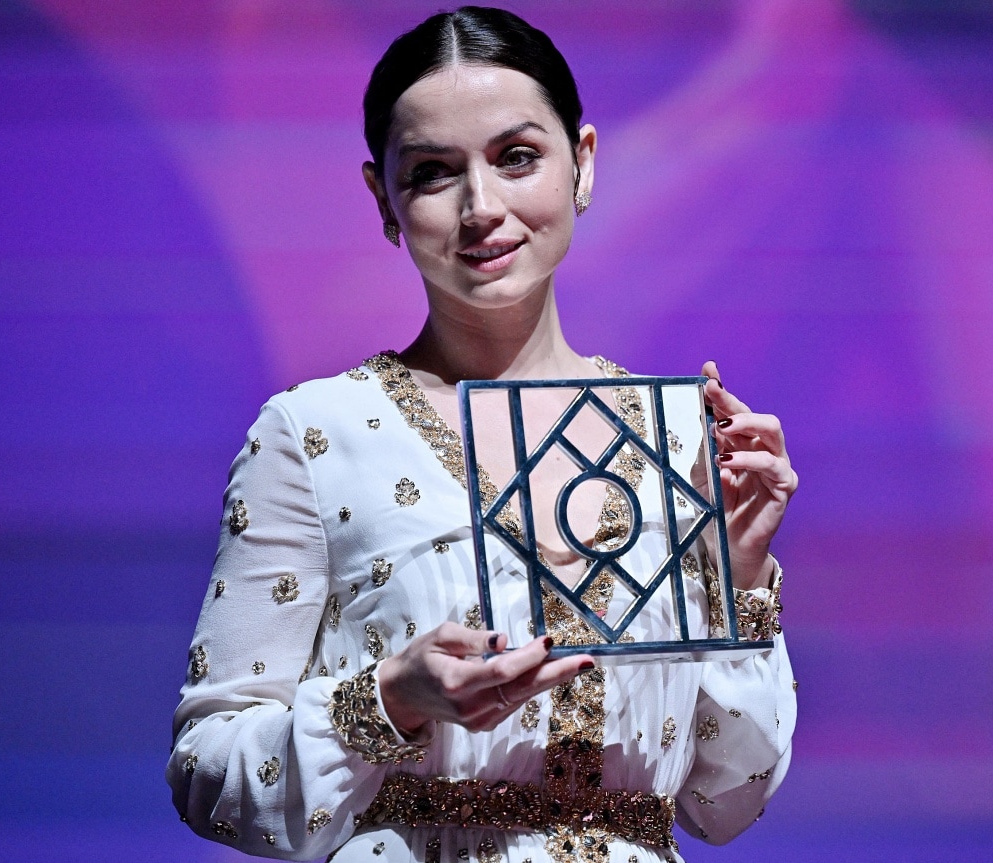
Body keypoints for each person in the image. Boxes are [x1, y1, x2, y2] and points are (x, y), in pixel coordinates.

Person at [166, 7, 797, 862]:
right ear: (382, 198)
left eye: (517, 157)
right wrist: (391, 698)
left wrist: (743, 574)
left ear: (583, 162)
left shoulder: (678, 438)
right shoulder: (317, 436)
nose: (481, 207)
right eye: (432, 172)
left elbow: (726, 800)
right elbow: (210, 775)